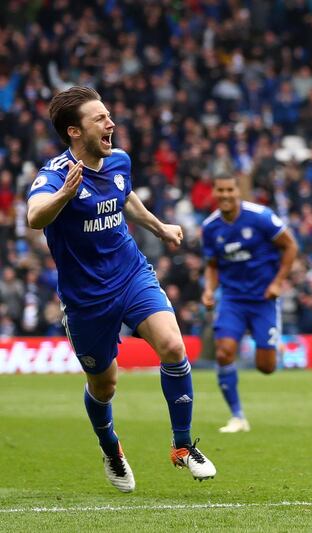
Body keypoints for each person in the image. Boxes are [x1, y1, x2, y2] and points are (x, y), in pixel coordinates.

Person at [26, 86, 215, 493]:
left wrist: (159, 226)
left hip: (131, 275)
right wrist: (64, 194)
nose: (111, 124)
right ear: (75, 132)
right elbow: (34, 216)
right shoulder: (55, 175)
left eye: (109, 115)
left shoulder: (120, 161)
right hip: (86, 298)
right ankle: (111, 449)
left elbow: (125, 195)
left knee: (173, 347)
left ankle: (183, 446)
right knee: (104, 385)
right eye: (100, 119)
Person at [201, 176, 298, 433]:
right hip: (232, 299)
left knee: (265, 367)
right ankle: (237, 416)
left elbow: (290, 246)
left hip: (264, 298)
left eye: (229, 189)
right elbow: (212, 266)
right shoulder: (210, 227)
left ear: (238, 191)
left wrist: (278, 282)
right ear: (214, 192)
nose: (225, 194)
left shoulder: (261, 216)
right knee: (224, 352)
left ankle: (275, 348)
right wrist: (210, 290)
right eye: (220, 189)